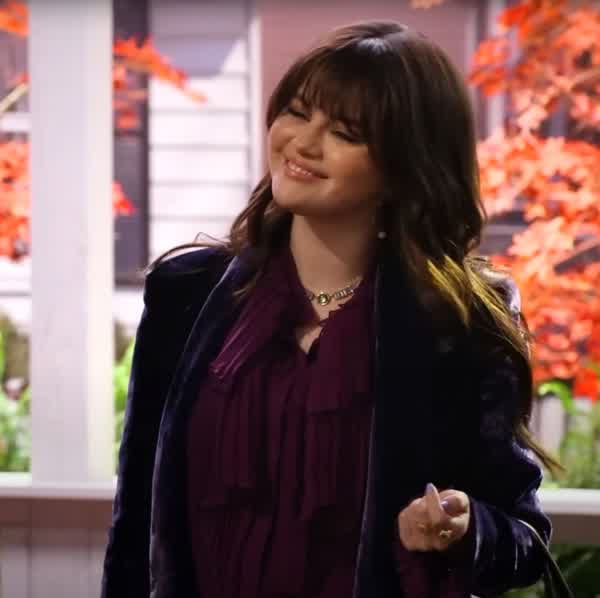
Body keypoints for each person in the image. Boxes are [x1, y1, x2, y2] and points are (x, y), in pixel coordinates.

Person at [101, 20, 560, 598]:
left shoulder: (458, 323)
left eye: (345, 133)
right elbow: (135, 522)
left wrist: (464, 529)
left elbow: (523, 540)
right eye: (297, 112)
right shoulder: (184, 294)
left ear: (404, 165)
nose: (303, 143)